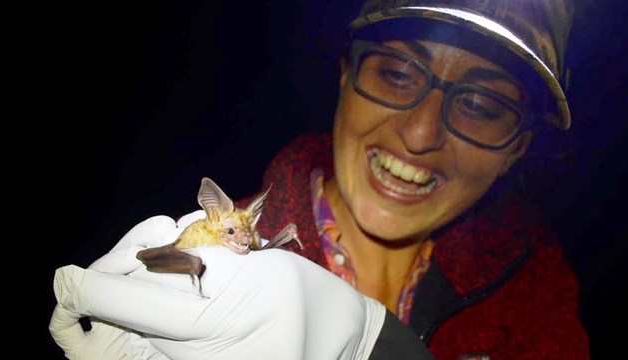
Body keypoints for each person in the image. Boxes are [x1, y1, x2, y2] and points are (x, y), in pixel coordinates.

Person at [50, 0, 591, 359]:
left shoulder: (535, 293)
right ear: (344, 76)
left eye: (480, 103)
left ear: (518, 146)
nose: (421, 134)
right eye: (397, 74)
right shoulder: (225, 236)